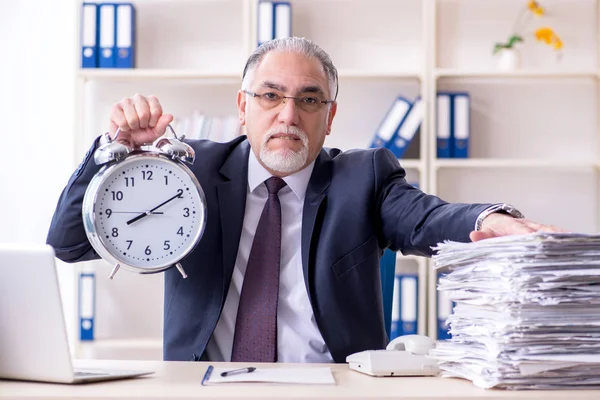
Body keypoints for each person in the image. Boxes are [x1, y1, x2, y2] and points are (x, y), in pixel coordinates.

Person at [47, 37, 561, 364]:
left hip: (334, 387)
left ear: (330, 117)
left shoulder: (364, 176)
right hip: (204, 385)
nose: (288, 115)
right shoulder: (186, 172)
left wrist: (492, 218)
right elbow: (69, 244)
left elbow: (425, 217)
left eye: (309, 99)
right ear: (243, 107)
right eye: (270, 96)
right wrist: (112, 155)